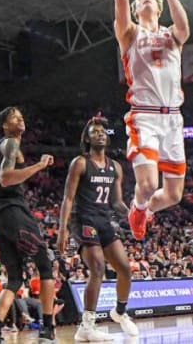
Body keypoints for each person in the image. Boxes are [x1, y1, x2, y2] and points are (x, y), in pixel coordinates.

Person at [102, 0, 191, 241]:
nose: (146, 0)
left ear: (160, 7)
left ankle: (144, 211)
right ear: (138, 10)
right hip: (145, 117)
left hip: (174, 119)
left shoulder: (171, 35)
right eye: (142, 0)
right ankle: (139, 207)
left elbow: (185, 27)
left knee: (174, 195)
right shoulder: (130, 33)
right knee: (149, 184)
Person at [58, 116, 138, 341]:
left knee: (125, 268)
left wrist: (136, 213)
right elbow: (68, 197)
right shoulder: (80, 163)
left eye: (103, 131)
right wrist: (62, 230)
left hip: (104, 221)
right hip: (83, 220)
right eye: (95, 132)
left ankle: (120, 312)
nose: (100, 134)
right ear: (87, 138)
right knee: (98, 268)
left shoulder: (116, 167)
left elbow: (117, 203)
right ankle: (87, 325)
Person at [0, 107, 56, 344]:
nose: (20, 119)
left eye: (22, 116)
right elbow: (6, 179)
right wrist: (39, 166)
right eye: (14, 117)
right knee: (45, 264)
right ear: (4, 125)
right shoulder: (10, 143)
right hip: (12, 210)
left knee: (15, 278)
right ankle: (47, 328)